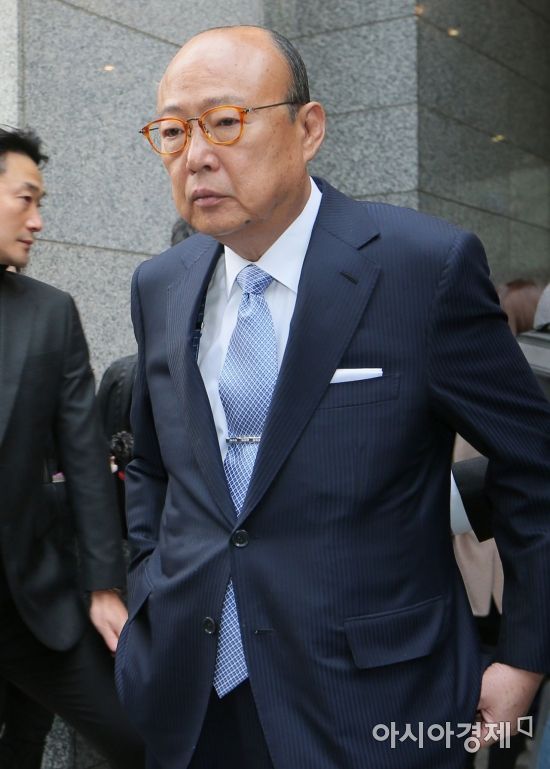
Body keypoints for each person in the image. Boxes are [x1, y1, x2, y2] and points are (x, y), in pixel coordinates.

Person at [116, 26, 550, 769]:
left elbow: (534, 466)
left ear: (308, 128)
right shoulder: (161, 285)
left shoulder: (423, 267)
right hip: (190, 696)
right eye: (173, 132)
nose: (196, 156)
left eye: (225, 122)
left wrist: (525, 658)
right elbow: (155, 466)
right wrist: (150, 586)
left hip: (373, 704)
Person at [0, 125, 144, 768]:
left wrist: (104, 585)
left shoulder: (49, 314)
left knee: (142, 741)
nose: (37, 221)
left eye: (42, 202)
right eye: (25, 199)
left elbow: (86, 458)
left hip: (32, 606)